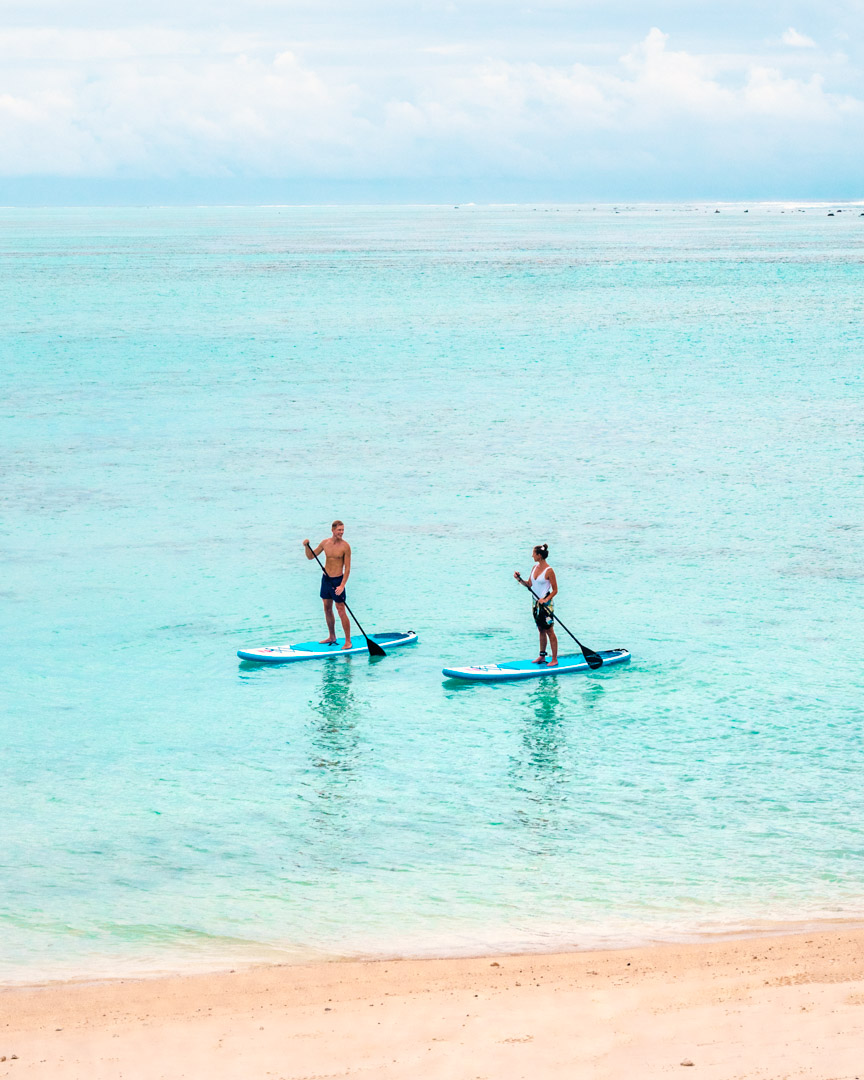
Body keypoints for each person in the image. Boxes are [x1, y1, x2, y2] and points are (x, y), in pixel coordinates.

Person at [303, 520, 352, 649]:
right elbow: (310, 556)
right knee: (327, 608)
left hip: (337, 581)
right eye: (339, 530)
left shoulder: (345, 546)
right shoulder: (325, 543)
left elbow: (347, 568)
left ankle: (348, 641)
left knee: (341, 610)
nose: (341, 532)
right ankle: (332, 636)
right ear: (333, 530)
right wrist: (306, 547)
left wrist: (342, 586)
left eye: (342, 530)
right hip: (326, 580)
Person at [514, 543, 558, 666]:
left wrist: (545, 599)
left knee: (549, 630)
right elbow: (529, 584)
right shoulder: (534, 568)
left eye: (533, 553)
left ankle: (554, 659)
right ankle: (542, 656)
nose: (532, 555)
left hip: (546, 604)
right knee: (540, 629)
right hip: (535, 603)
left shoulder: (549, 571)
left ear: (539, 555)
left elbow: (555, 590)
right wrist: (519, 579)